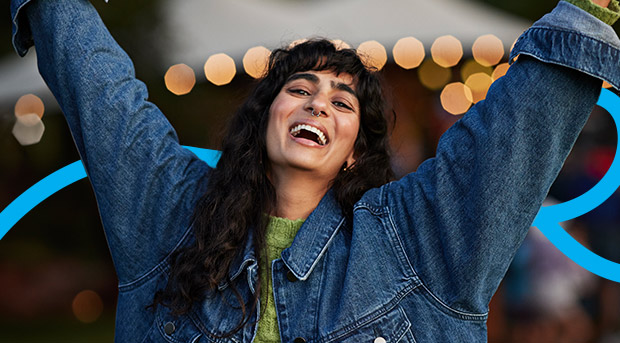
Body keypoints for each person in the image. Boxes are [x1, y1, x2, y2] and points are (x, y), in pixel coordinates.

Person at [9, 0, 620, 342]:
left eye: (342, 102)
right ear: (265, 119)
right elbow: (101, 93)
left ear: (355, 149)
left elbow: (515, 127)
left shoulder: (415, 242)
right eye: (300, 88)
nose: (318, 102)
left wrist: (590, 12)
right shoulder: (170, 215)